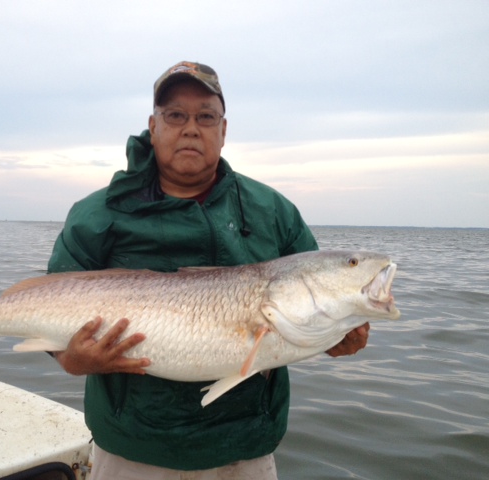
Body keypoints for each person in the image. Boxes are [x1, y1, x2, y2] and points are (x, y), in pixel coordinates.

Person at [47, 61, 370, 480]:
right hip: (133, 445)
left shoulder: (272, 210)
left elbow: (311, 300)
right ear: (153, 124)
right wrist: (68, 358)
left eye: (205, 117)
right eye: (175, 115)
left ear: (223, 129)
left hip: (246, 446)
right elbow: (48, 304)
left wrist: (336, 336)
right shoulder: (97, 214)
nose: (190, 128)